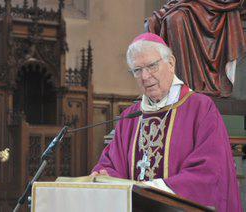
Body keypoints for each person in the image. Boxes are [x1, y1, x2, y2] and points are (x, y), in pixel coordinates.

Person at [91, 33, 242, 212]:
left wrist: (156, 189)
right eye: (137, 70)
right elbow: (111, 164)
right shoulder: (131, 116)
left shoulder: (200, 108)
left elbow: (210, 169)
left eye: (151, 66)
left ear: (171, 63)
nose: (145, 76)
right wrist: (104, 176)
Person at [145, 0, 246, 97]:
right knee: (151, 22)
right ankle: (163, 85)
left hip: (211, 7)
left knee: (175, 20)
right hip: (183, 4)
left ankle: (184, 86)